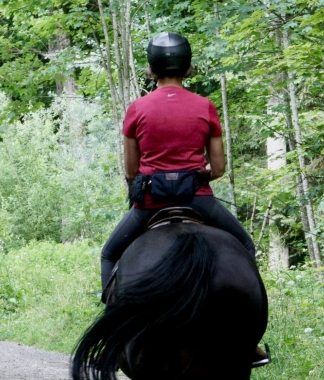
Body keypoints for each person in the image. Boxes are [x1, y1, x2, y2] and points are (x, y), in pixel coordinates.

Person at [99, 31, 268, 367]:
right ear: (188, 67)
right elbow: (218, 167)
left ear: (151, 69)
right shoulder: (204, 106)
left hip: (150, 205)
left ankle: (115, 334)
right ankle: (250, 341)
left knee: (109, 253)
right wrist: (196, 175)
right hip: (198, 200)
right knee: (245, 248)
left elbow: (132, 170)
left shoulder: (137, 108)